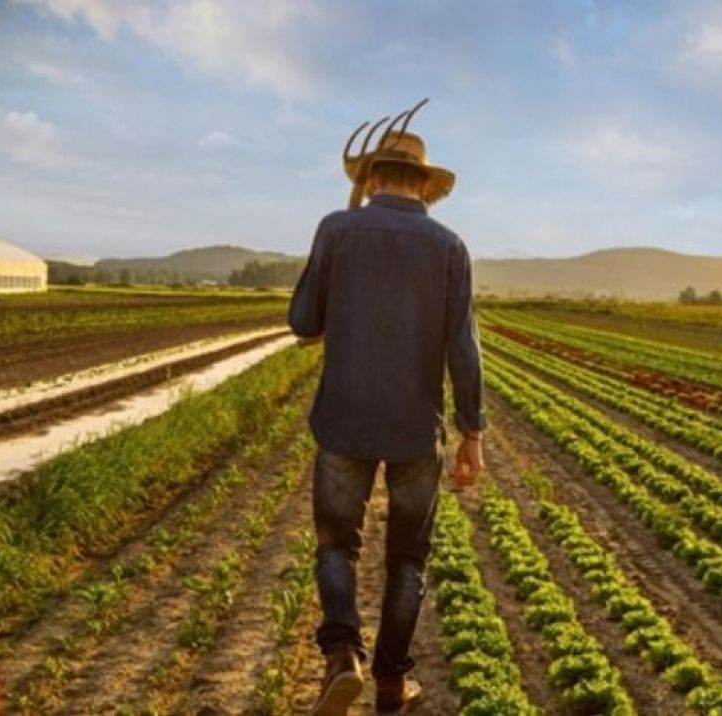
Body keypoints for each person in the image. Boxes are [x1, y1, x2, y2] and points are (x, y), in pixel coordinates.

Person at [287, 109, 486, 716]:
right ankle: (392, 684)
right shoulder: (450, 247)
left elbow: (302, 322)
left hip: (343, 420)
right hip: (413, 430)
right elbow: (463, 348)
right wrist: (471, 433)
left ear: (371, 180)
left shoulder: (336, 228)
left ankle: (342, 654)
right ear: (424, 186)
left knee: (335, 545)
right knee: (407, 558)